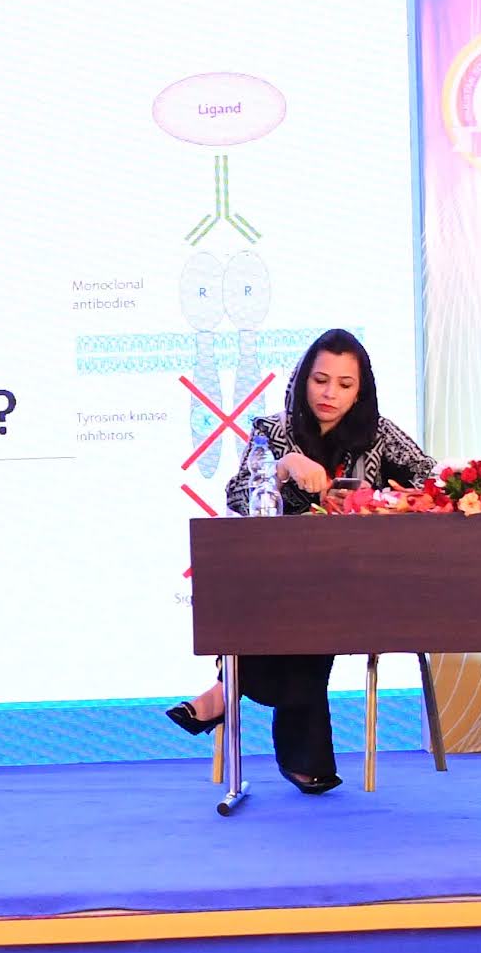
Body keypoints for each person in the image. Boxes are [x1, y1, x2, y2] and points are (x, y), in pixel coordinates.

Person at [164, 326, 432, 796]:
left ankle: (227, 691)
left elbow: (432, 478)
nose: (330, 394)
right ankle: (304, 760)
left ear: (360, 391)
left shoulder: (379, 434)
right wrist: (282, 468)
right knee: (292, 603)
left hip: (358, 581)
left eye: (344, 385)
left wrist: (380, 500)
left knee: (313, 606)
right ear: (303, 379)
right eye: (320, 380)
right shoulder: (273, 431)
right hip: (285, 584)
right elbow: (238, 497)